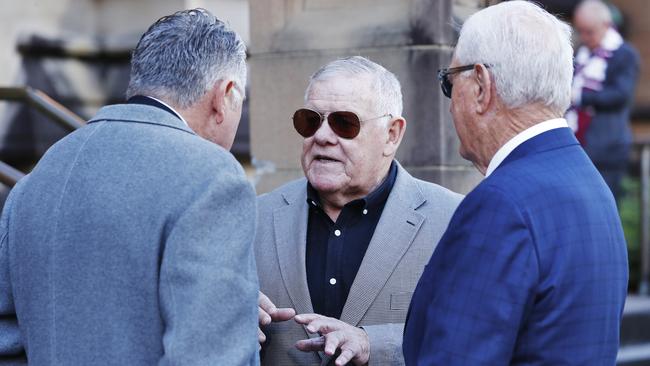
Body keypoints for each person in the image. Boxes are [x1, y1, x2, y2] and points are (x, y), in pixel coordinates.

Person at [0, 9, 259, 365]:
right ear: (224, 94)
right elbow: (210, 356)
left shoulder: (39, 176)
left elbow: (7, 338)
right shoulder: (213, 176)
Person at [403, 1, 628, 365]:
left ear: (480, 86)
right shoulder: (591, 184)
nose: (448, 105)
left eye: (449, 82)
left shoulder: (501, 204)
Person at [254, 56, 462, 366]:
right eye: (310, 120)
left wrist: (373, 344)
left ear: (392, 134)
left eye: (344, 123)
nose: (322, 136)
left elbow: (472, 336)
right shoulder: (256, 217)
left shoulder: (453, 219)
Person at [567, 0, 640, 200]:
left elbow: (620, 95)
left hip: (608, 149)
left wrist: (580, 97)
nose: (584, 37)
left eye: (589, 31)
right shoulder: (581, 54)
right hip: (579, 144)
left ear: (606, 25)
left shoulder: (624, 54)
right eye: (580, 31)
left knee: (606, 205)